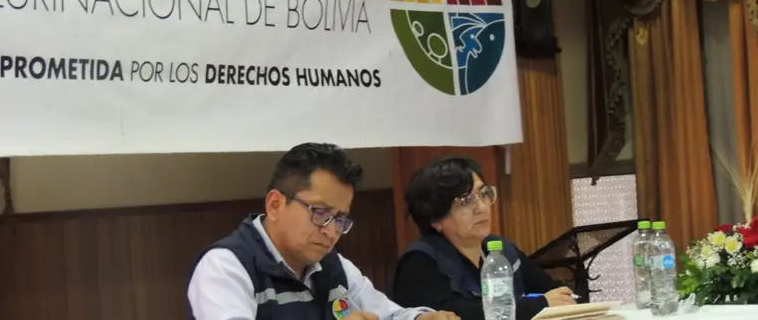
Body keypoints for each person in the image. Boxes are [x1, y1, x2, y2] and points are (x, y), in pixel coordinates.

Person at [187, 142, 460, 320]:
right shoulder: (225, 267)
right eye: (320, 213)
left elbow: (387, 314)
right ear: (275, 205)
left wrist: (421, 318)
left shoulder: (331, 265)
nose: (331, 232)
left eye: (340, 218)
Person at [391, 157, 576, 320]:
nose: (481, 207)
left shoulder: (502, 250)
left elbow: (554, 292)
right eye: (465, 201)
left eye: (483, 194)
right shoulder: (419, 262)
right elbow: (457, 315)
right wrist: (539, 305)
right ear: (435, 218)